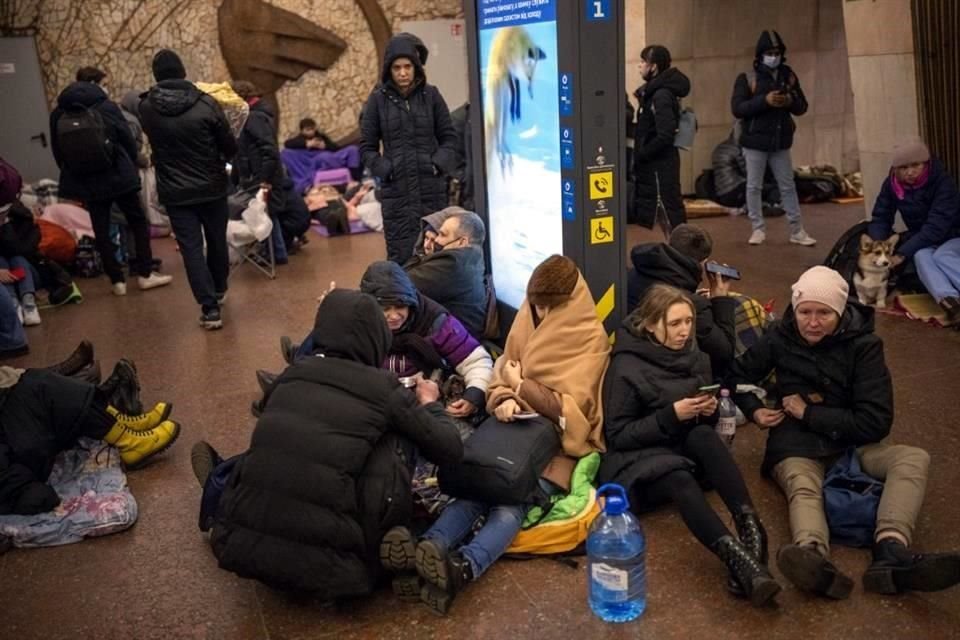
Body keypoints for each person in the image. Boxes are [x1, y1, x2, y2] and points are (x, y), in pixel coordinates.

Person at [192, 289, 463, 596]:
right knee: (394, 441)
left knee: (285, 443)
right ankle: (394, 538)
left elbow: (269, 414)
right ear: (376, 337)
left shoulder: (293, 373)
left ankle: (221, 486)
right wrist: (429, 403)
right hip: (335, 570)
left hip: (243, 550)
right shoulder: (383, 388)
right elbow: (449, 448)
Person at [383, 255, 610, 615]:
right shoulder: (527, 319)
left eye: (549, 307)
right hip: (511, 429)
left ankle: (464, 565)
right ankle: (427, 548)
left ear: (568, 303)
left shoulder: (589, 339)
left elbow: (573, 408)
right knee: (478, 489)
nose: (540, 313)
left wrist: (520, 386)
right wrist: (504, 398)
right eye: (536, 305)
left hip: (556, 446)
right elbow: (502, 370)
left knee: (511, 503)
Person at [727, 266, 960, 599]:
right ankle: (812, 557)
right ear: (795, 311)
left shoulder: (864, 346)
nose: (812, 322)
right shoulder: (780, 336)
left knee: (912, 458)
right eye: (805, 312)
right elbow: (735, 376)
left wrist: (809, 412)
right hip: (796, 443)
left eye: (823, 313)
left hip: (852, 443)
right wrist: (753, 408)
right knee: (803, 486)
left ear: (839, 312)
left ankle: (891, 549)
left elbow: (877, 421)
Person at [598, 284, 781, 607]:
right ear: (651, 325)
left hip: (678, 443)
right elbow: (618, 435)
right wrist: (671, 415)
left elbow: (702, 421)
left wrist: (708, 411)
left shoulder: (694, 355)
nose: (684, 331)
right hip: (635, 462)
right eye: (675, 324)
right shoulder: (626, 366)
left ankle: (752, 532)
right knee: (678, 477)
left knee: (705, 437)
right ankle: (737, 559)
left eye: (688, 321)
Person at [139, 49, 238, 330]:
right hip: (212, 186)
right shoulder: (206, 103)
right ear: (183, 72)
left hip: (175, 191)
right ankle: (219, 287)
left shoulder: (146, 107)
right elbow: (229, 145)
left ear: (156, 76)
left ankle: (209, 309)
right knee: (216, 240)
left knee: (191, 249)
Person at [50, 75, 172, 296]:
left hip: (87, 180)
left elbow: (58, 151)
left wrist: (76, 172)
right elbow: (126, 139)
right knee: (137, 221)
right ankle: (145, 273)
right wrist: (129, 162)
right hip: (118, 175)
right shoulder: (106, 106)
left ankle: (117, 281)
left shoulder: (58, 113)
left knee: (101, 228)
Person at [0, 365, 180, 515]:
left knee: (37, 381)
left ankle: (121, 425)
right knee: (44, 390)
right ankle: (128, 442)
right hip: (15, 458)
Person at [360, 34, 458, 264]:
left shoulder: (431, 96)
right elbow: (367, 148)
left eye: (407, 67)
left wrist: (437, 165)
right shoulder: (377, 101)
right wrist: (386, 170)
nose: (403, 73)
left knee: (435, 254)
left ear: (416, 68)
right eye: (397, 68)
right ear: (389, 70)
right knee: (401, 256)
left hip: (431, 190)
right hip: (397, 193)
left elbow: (450, 138)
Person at [731, 30, 816, 247]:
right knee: (754, 186)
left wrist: (789, 101)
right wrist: (765, 101)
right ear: (760, 55)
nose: (773, 57)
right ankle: (757, 228)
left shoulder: (788, 75)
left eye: (777, 53)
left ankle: (797, 230)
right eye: (769, 53)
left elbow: (802, 106)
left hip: (780, 141)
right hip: (754, 142)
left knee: (787, 186)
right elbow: (738, 108)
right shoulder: (748, 78)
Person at [866, 138, 960, 326]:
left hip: (954, 234)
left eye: (915, 165)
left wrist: (901, 254)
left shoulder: (942, 182)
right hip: (926, 239)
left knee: (942, 256)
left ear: (926, 164)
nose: (909, 172)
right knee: (920, 256)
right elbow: (881, 216)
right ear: (895, 169)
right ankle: (951, 303)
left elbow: (936, 227)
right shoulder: (892, 184)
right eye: (903, 167)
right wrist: (878, 247)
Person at [627, 224, 737, 376]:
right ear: (703, 263)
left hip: (635, 358)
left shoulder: (635, 273)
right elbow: (724, 352)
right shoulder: (691, 306)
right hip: (671, 371)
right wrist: (720, 299)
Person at [632, 45, 690, 234]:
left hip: (661, 166)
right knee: (666, 212)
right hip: (657, 164)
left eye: (643, 62)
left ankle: (683, 248)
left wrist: (644, 152)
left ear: (654, 66)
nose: (639, 66)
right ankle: (679, 246)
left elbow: (665, 134)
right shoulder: (652, 93)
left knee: (669, 211)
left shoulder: (661, 95)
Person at [405, 207, 487, 338]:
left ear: (462, 242)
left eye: (443, 235)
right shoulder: (471, 258)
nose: (437, 240)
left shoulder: (453, 263)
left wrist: (420, 255)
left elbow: (400, 285)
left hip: (449, 342)